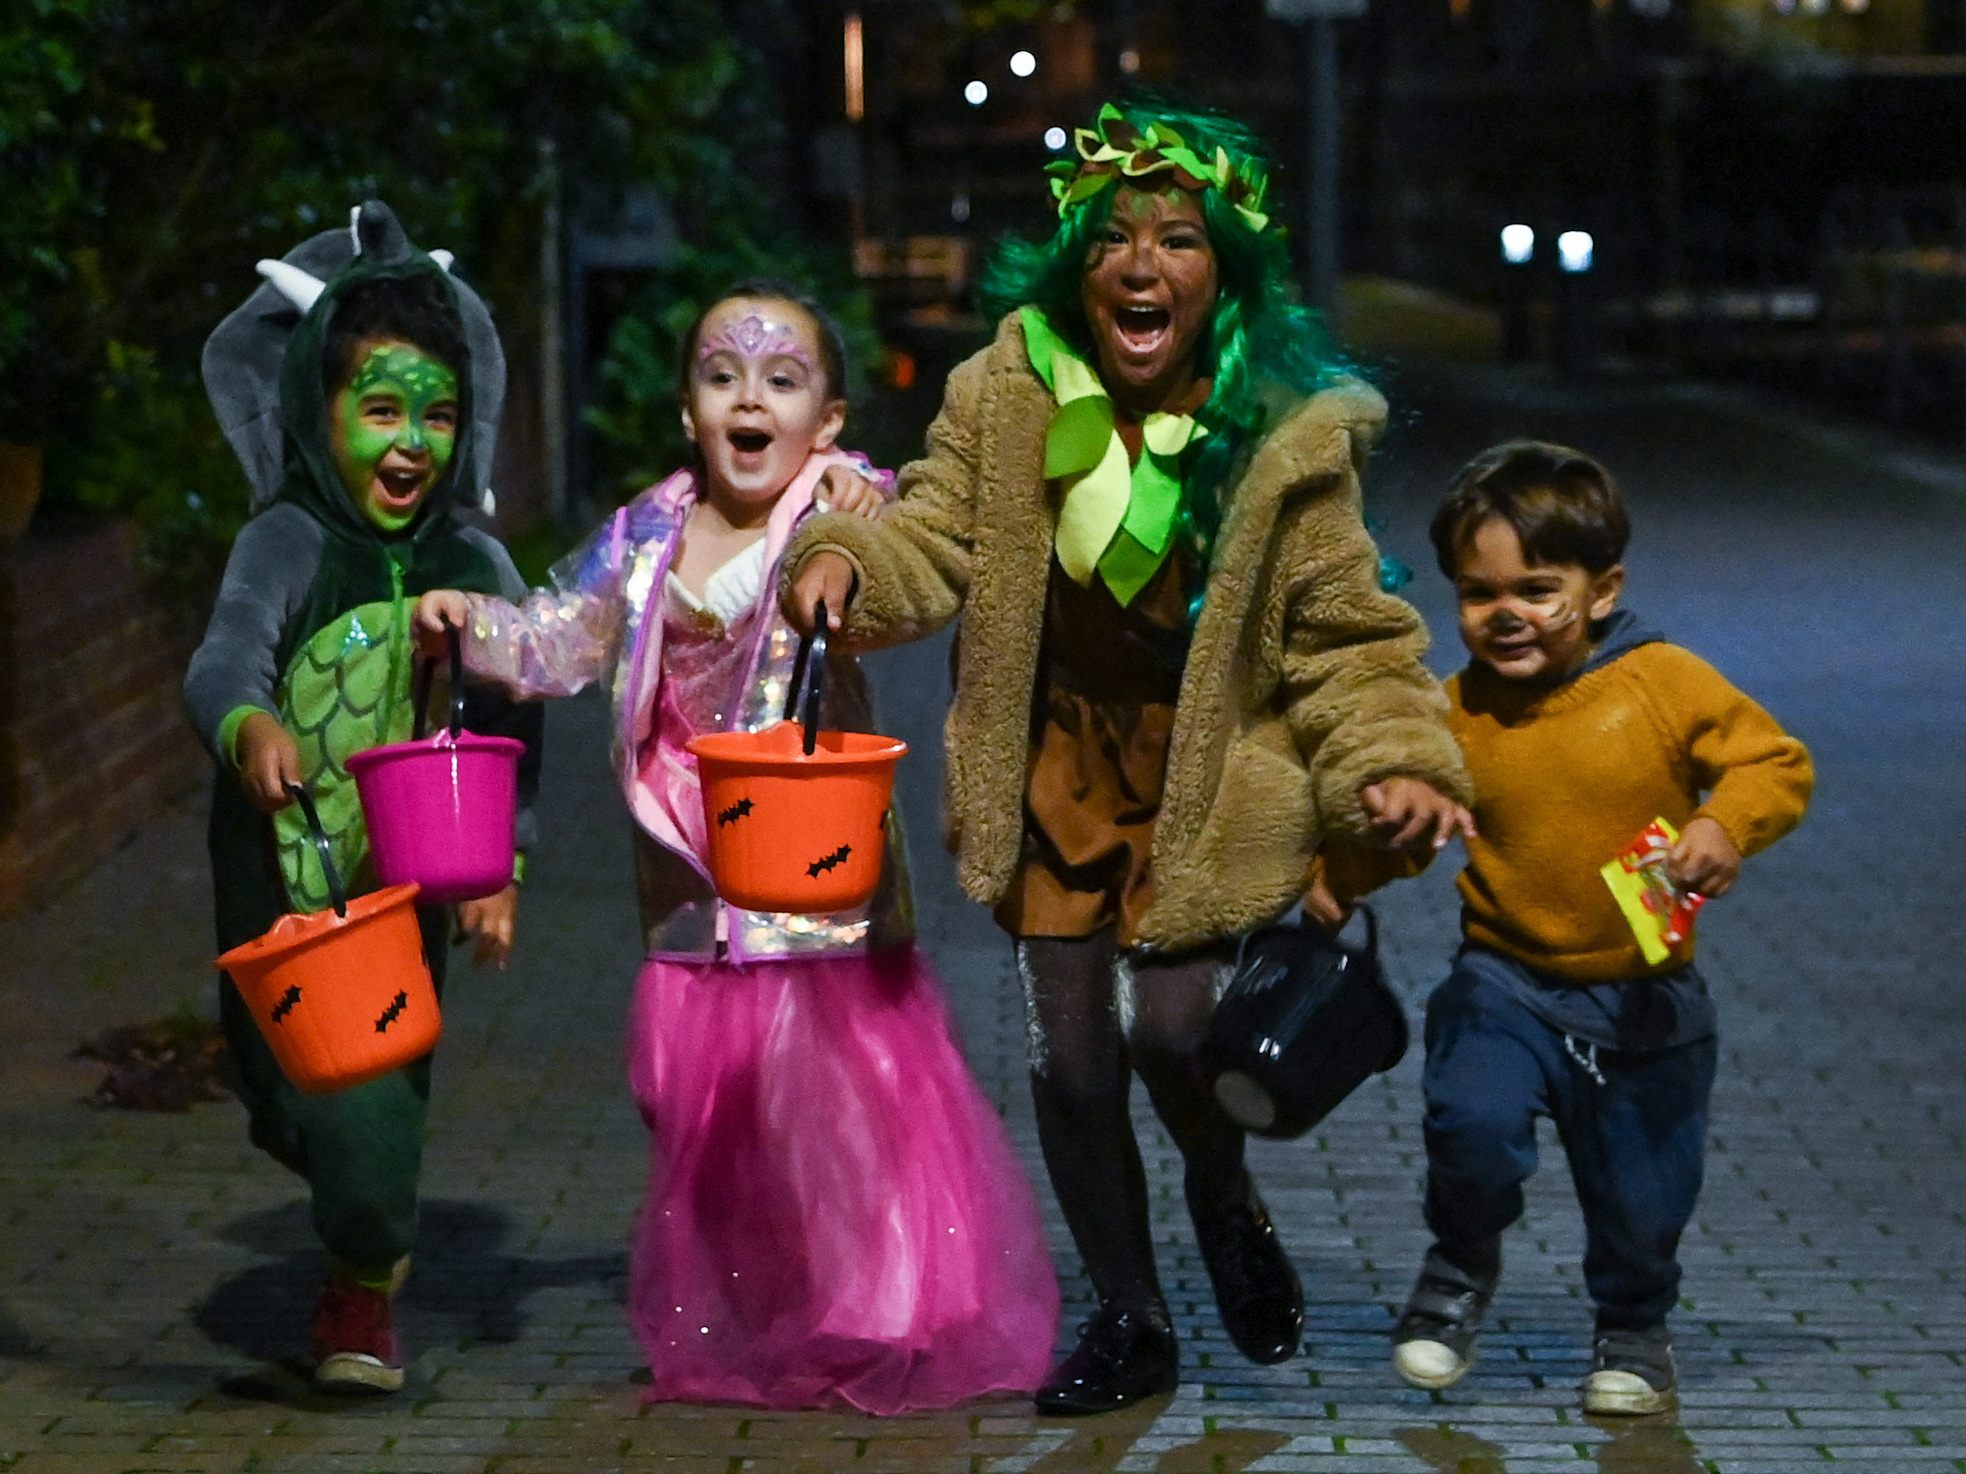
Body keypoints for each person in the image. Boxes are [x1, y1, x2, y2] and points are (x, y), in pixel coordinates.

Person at [783, 102, 1474, 1414]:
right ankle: (1128, 1312)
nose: (1140, 265)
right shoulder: (1008, 393)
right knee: (1068, 1060)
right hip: (1059, 758)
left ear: (1227, 271)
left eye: (1175, 239)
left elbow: (1349, 632)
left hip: (1208, 770)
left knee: (1174, 1032)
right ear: (1075, 264)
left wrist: (1397, 754)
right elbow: (932, 534)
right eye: (1111, 240)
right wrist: (846, 563)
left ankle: (1222, 1197)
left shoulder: (1280, 431)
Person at [413, 281, 1059, 1414]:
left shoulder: (838, 509)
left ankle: (878, 1300)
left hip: (811, 868)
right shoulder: (649, 532)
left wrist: (864, 518)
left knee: (843, 1097)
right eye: (722, 376)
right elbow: (564, 640)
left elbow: (909, 554)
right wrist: (473, 622)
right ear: (687, 411)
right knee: (696, 1098)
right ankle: (764, 1298)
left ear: (830, 417)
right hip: (688, 870)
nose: (748, 397)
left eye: (781, 378)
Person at [185, 201, 545, 1393]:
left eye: (436, 415)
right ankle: (347, 1199)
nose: (412, 444)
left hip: (400, 898)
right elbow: (225, 656)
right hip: (271, 883)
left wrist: (499, 867)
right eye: (381, 410)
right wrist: (249, 723)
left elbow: (511, 726)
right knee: (284, 1098)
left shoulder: (471, 562)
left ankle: (362, 1293)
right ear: (315, 409)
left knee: (370, 1104)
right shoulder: (287, 543)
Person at [1384, 441, 1813, 1414]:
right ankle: (1457, 1270)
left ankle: (1631, 1327)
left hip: (1641, 995)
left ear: (1603, 586)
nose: (1506, 614)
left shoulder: (1661, 682)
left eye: (1537, 588)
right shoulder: (1453, 713)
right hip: (1503, 977)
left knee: (1641, 1189)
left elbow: (1774, 762)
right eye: (1478, 591)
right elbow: (1409, 833)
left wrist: (1720, 822)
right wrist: (1353, 856)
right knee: (1471, 1123)